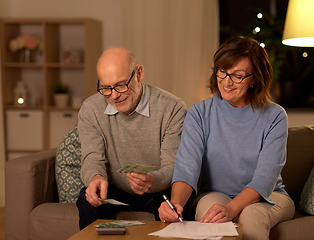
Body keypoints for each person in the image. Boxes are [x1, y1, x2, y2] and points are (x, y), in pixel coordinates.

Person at [158, 36, 295, 240]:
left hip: (268, 197)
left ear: (255, 78)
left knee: (251, 214)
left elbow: (265, 178)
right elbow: (187, 168)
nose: (226, 81)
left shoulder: (275, 116)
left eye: (237, 76)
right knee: (210, 211)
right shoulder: (199, 113)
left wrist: (231, 209)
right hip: (215, 193)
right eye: (222, 71)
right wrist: (176, 204)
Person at [76, 47, 187, 230]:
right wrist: (95, 177)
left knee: (177, 203)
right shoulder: (90, 109)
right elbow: (92, 157)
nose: (114, 95)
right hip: (113, 191)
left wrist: (153, 180)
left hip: (158, 190)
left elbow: (172, 167)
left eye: (121, 85)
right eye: (106, 88)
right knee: (85, 197)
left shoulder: (172, 108)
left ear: (139, 74)